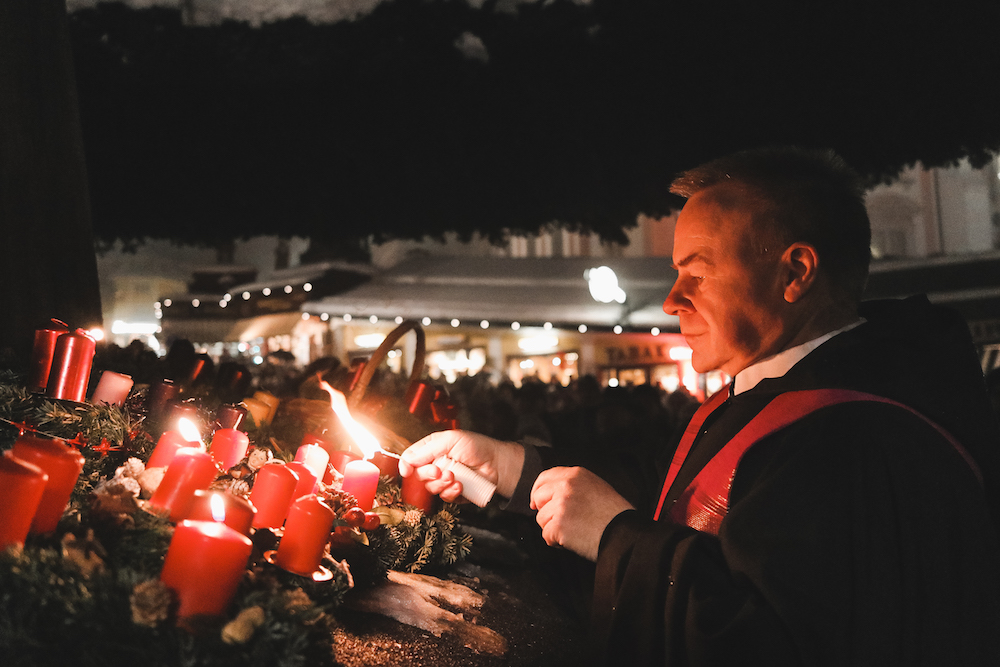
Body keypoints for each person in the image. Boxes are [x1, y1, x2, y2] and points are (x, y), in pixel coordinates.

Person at [400, 146, 1000, 666]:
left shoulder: (867, 439)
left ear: (796, 272)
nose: (671, 300)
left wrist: (614, 536)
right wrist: (509, 468)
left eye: (699, 273)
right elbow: (672, 505)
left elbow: (776, 645)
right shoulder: (759, 396)